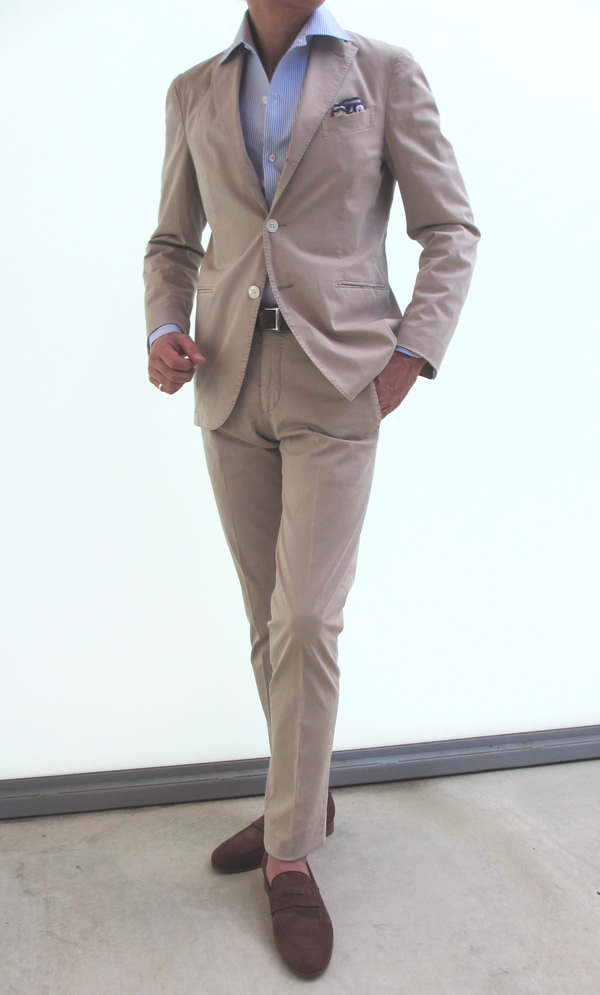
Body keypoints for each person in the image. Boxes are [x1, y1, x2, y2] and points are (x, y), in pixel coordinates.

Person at [143, 0, 479, 978]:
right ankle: (305, 796)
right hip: (226, 379)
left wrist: (410, 355)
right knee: (266, 617)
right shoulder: (194, 90)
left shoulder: (384, 71)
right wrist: (164, 326)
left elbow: (450, 227)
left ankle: (289, 853)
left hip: (339, 382)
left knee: (306, 618)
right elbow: (172, 243)